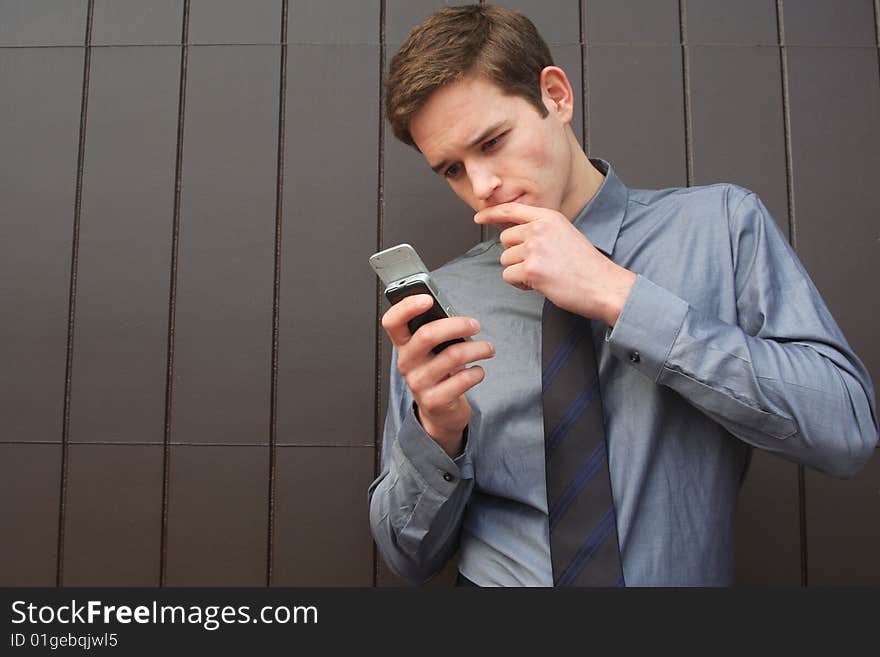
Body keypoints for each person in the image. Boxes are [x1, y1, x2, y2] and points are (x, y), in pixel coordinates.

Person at [367, 4, 878, 586]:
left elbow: (846, 430)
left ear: (556, 96)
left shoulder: (722, 228)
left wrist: (620, 296)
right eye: (452, 170)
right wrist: (436, 432)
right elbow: (406, 557)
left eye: (493, 142)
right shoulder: (448, 300)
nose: (482, 188)